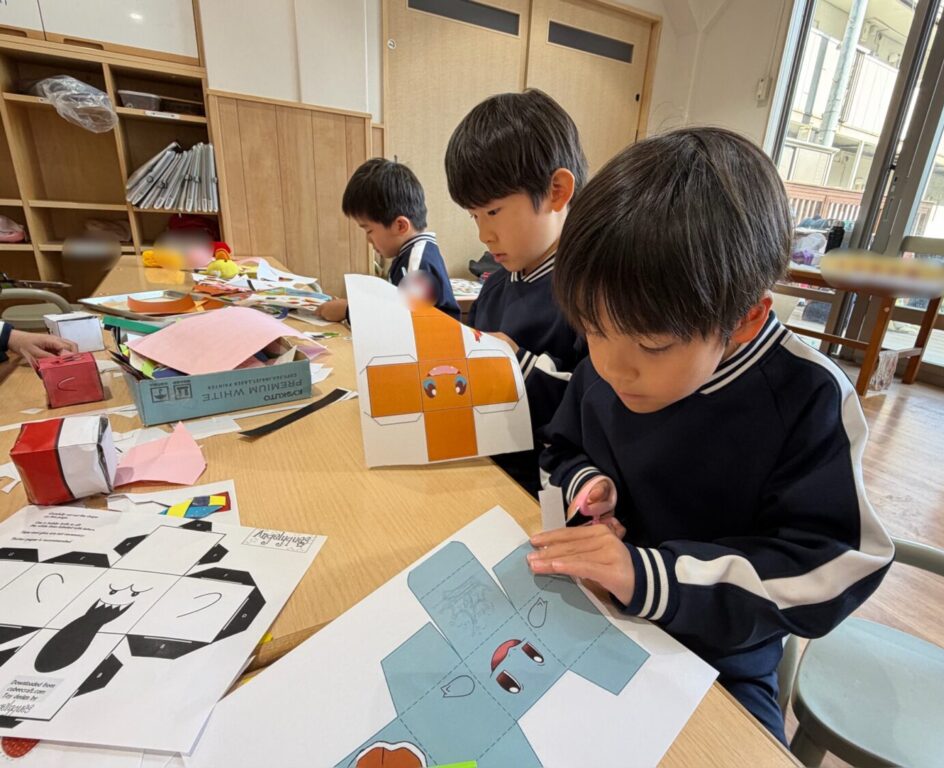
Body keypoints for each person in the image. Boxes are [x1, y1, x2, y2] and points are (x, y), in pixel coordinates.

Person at [529, 128, 894, 744]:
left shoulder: (805, 396)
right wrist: (588, 484)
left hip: (720, 657)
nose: (613, 367)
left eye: (652, 346)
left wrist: (650, 576)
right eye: (592, 329)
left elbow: (839, 565)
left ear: (747, 318)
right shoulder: (608, 361)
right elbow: (559, 449)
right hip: (596, 615)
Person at [444, 89, 588, 493]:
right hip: (482, 470)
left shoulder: (590, 294)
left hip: (542, 490)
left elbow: (594, 406)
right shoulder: (493, 288)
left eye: (493, 211)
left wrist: (516, 362)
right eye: (474, 216)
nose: (484, 234)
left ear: (557, 191)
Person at [317, 158, 459, 322]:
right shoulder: (410, 253)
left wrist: (350, 311)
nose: (368, 240)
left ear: (400, 226)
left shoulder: (416, 261)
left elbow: (403, 321)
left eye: (369, 230)